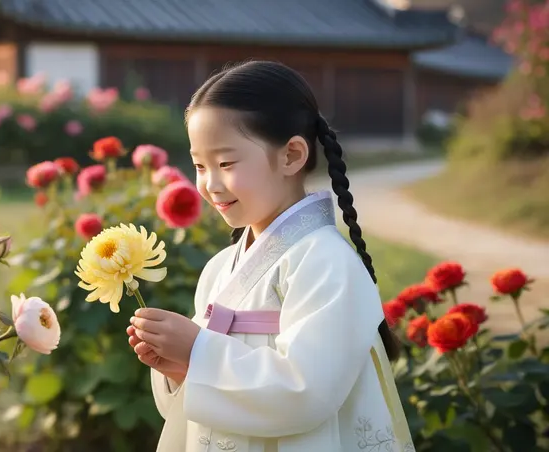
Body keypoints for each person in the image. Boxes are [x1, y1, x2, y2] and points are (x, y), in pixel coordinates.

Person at [126, 60, 414, 451]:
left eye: (225, 163)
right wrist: (179, 367)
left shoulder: (327, 263)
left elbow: (307, 389)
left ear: (291, 155)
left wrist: (199, 350)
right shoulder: (218, 269)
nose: (210, 184)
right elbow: (200, 399)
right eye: (199, 166)